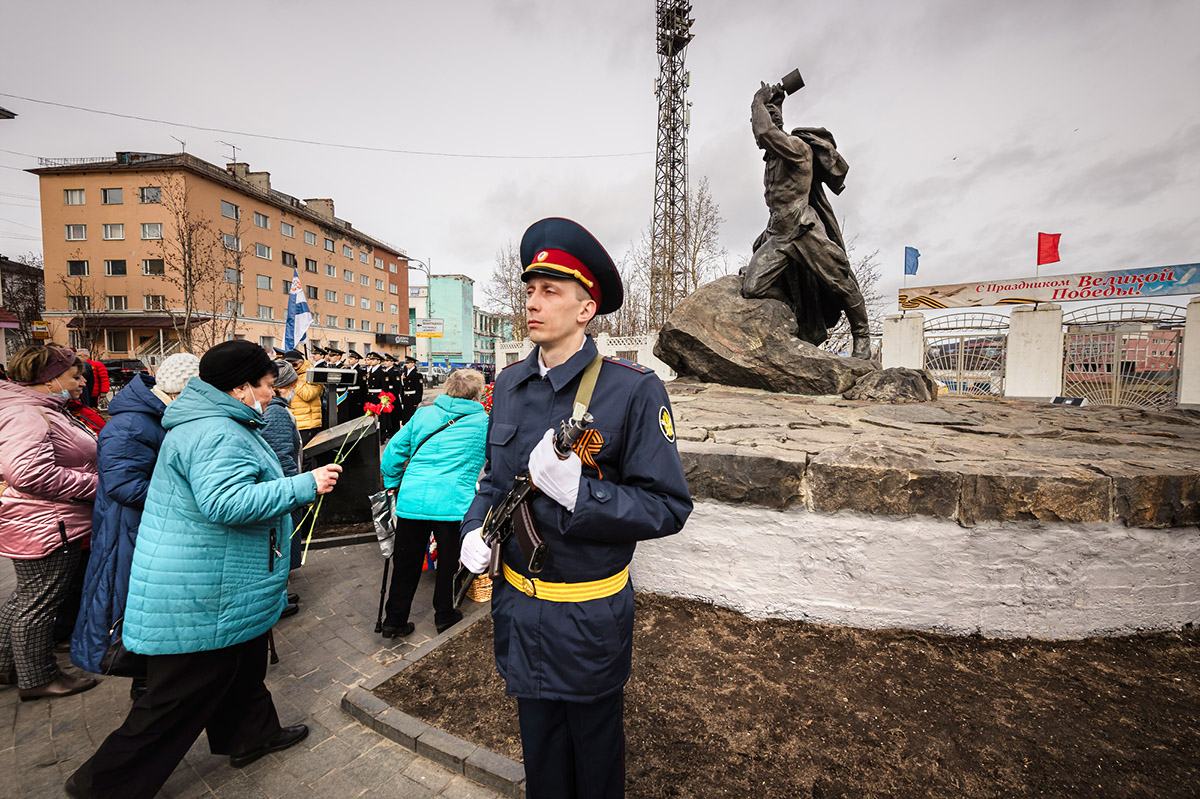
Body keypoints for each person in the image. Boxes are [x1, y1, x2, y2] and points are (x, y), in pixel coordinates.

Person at [459, 218, 692, 799]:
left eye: (549, 291)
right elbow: (495, 479)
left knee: (594, 763)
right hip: (519, 608)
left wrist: (579, 495)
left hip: (587, 618)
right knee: (541, 759)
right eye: (529, 290)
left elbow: (667, 506)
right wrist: (473, 528)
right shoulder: (509, 383)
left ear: (586, 309)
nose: (532, 303)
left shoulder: (632, 390)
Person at [65, 340, 343, 799]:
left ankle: (251, 736)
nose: (274, 394)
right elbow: (225, 502)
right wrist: (303, 485)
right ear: (240, 388)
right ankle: (103, 783)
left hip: (221, 576)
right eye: (268, 385)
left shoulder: (221, 420)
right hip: (202, 585)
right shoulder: (215, 430)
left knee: (241, 664)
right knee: (179, 695)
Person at [70, 352, 200, 701]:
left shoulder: (156, 417)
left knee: (147, 613)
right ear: (180, 390)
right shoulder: (131, 425)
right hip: (129, 532)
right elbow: (124, 486)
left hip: (145, 528)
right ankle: (146, 690)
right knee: (132, 611)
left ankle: (152, 685)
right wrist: (188, 495)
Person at [741, 81, 872, 360]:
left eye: (759, 119)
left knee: (839, 279)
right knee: (752, 287)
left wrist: (759, 100)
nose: (756, 129)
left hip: (802, 228)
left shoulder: (797, 148)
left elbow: (765, 133)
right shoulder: (771, 160)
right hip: (778, 234)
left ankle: (862, 335)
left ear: (774, 123)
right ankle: (798, 320)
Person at [0, 345, 100, 700]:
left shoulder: (39, 408)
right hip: (46, 523)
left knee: (28, 598)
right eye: (75, 376)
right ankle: (38, 677)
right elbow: (28, 472)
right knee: (40, 602)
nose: (82, 381)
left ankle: (9, 665)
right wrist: (96, 486)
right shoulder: (27, 413)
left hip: (44, 520)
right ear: (48, 380)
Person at [380, 368, 487, 638]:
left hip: (413, 500)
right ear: (477, 394)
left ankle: (394, 619)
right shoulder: (483, 422)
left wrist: (393, 481)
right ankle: (444, 614)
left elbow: (393, 451)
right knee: (449, 563)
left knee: (406, 563)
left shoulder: (424, 414)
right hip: (453, 505)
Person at [261, 358, 305, 612]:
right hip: (285, 487)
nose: (294, 391)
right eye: (291, 386)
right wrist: (297, 489)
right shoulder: (276, 412)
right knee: (281, 543)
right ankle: (277, 597)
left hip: (285, 486)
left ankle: (280, 593)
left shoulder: (276, 408)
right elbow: (282, 455)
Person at [283, 349, 324, 445]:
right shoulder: (285, 376)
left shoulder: (312, 374)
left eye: (295, 365)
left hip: (307, 425)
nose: (292, 368)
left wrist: (294, 380)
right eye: (289, 366)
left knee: (306, 455)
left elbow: (308, 395)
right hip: (291, 423)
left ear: (302, 363)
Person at [398, 355, 424, 426]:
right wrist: (402, 398)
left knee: (412, 417)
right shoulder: (404, 374)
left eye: (408, 363)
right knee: (406, 418)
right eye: (406, 363)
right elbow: (403, 387)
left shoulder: (417, 374)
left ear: (413, 363)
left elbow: (419, 390)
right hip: (406, 398)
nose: (407, 365)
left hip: (413, 398)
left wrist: (417, 401)